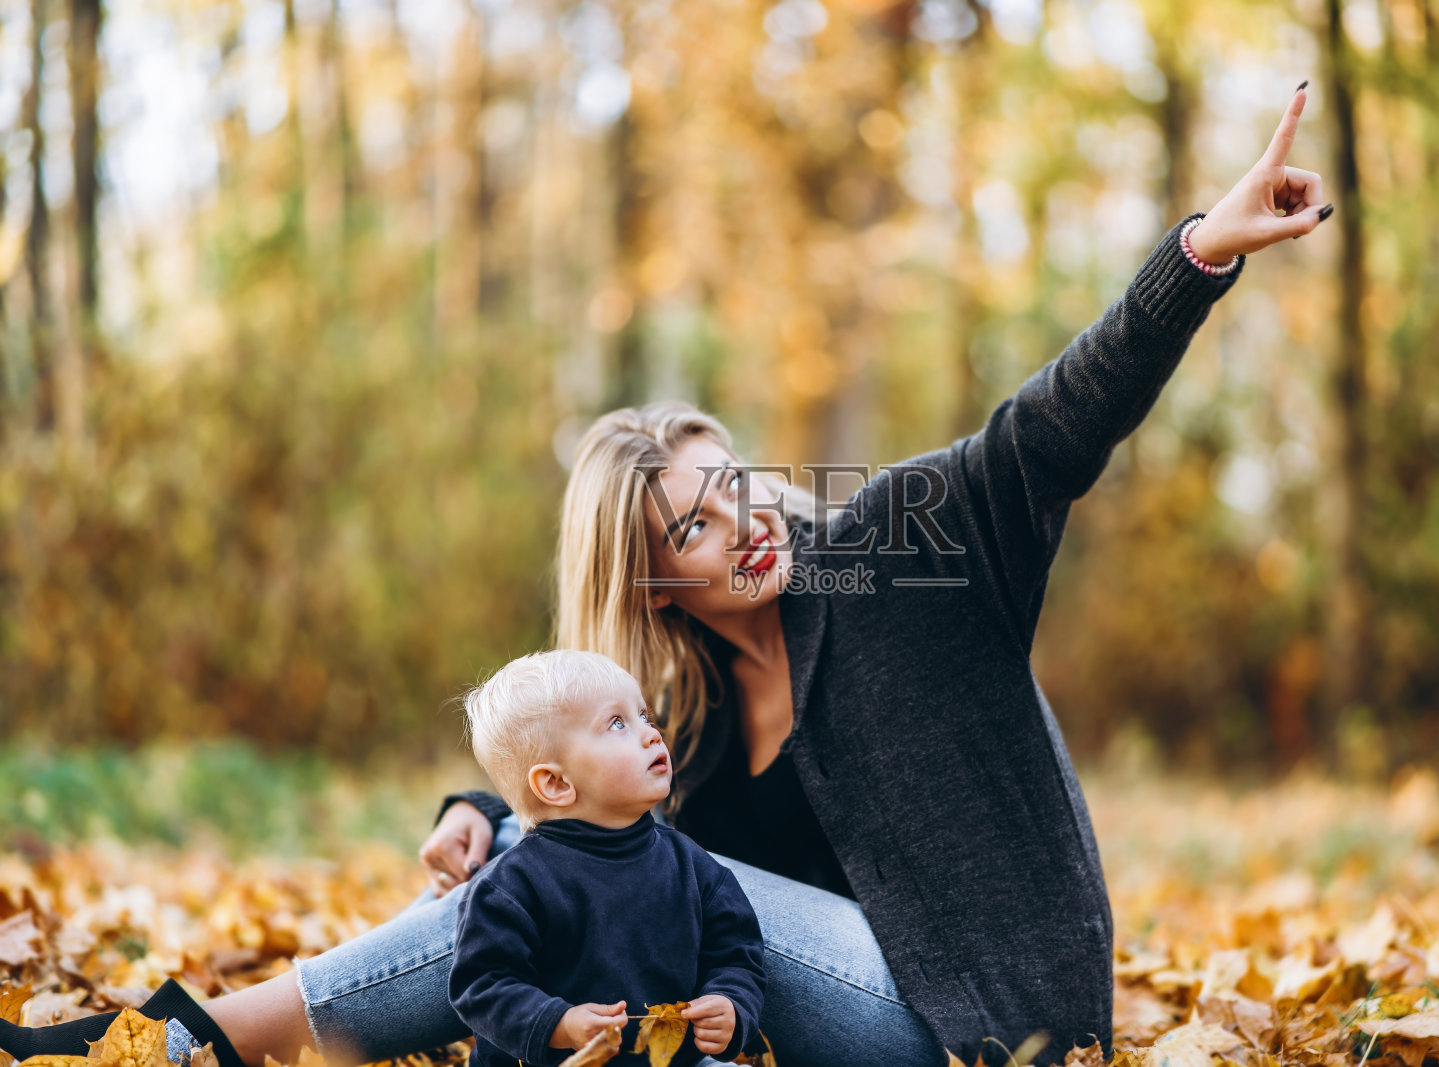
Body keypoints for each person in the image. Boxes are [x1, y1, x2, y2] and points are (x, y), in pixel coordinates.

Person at [1, 82, 1331, 1067]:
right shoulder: (674, 723)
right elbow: (592, 812)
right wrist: (492, 802)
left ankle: (188, 1046)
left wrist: (1198, 253)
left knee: (618, 850)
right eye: (694, 526)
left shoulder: (902, 547)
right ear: (651, 589)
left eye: (737, 479)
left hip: (991, 1020)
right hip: (834, 1014)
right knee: (557, 849)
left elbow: (1057, 419)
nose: (745, 520)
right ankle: (191, 1043)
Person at [448, 649, 764, 1067]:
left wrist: (730, 1003)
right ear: (556, 783)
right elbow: (482, 984)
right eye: (617, 724)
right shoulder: (511, 886)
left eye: (645, 716)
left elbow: (736, 950)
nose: (652, 734)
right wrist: (556, 1023)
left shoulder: (692, 865)